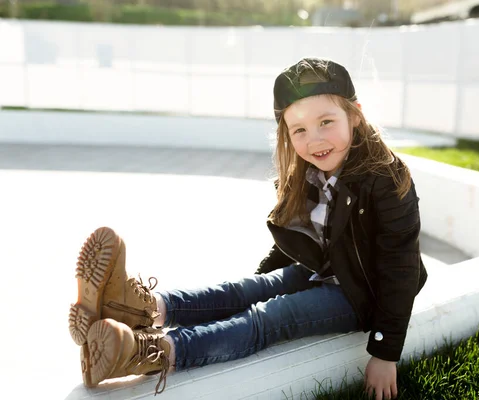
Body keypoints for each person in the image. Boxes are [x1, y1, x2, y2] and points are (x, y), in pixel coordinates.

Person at [68, 57, 428, 400]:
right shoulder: (308, 173)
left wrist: (385, 352)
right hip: (326, 270)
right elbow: (300, 241)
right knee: (244, 290)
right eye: (299, 129)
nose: (314, 139)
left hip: (366, 293)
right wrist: (252, 290)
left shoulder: (386, 178)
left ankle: (151, 352)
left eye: (326, 122)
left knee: (271, 318)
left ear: (356, 116)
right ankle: (139, 309)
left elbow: (401, 267)